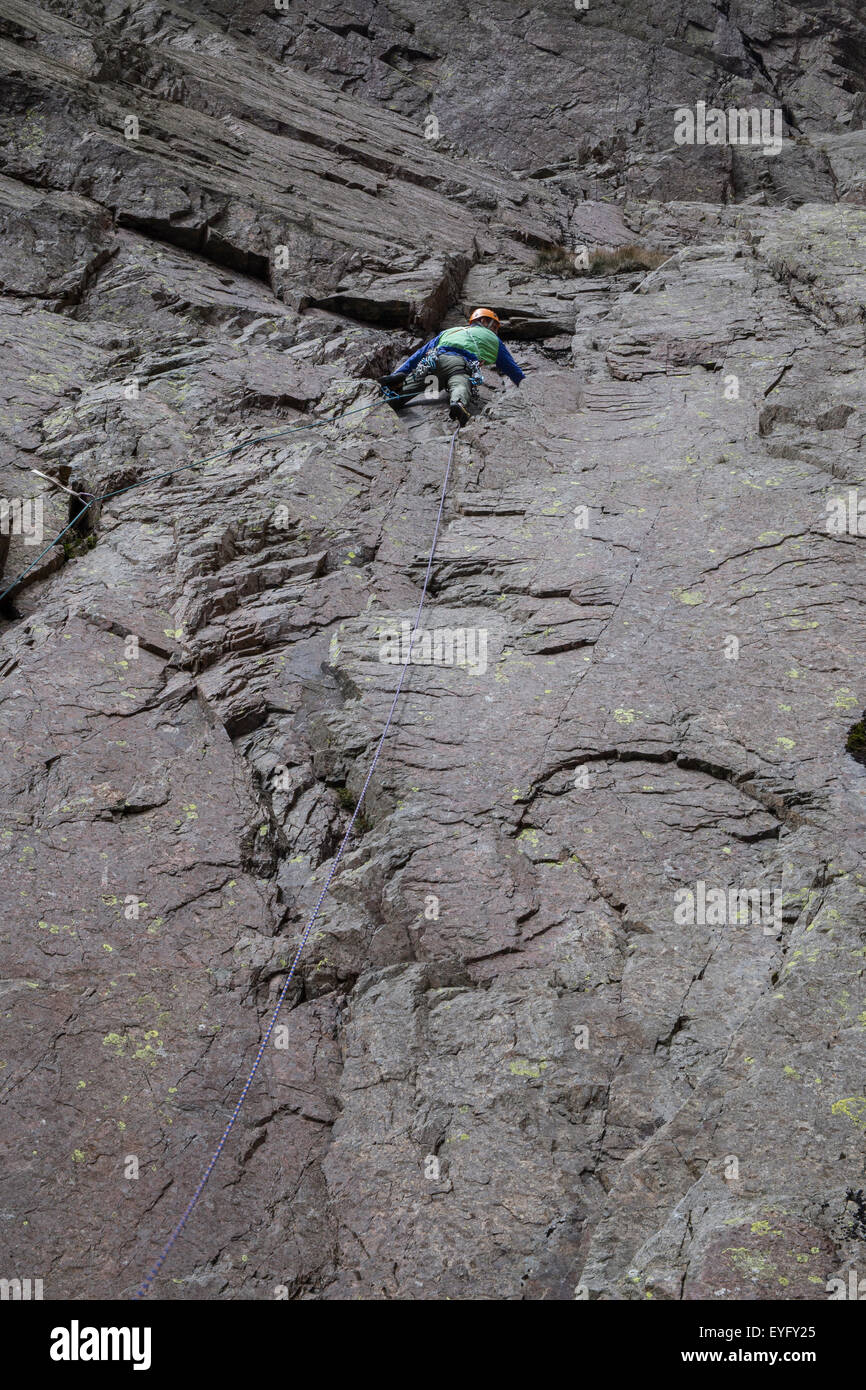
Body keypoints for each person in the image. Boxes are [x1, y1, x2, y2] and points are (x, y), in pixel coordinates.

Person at [380, 308, 524, 426]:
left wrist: (399, 373)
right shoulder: (494, 340)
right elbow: (512, 370)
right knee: (460, 382)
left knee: (404, 391)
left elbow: (419, 354)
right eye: (494, 326)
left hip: (433, 363)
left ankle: (389, 399)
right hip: (459, 365)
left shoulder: (450, 331)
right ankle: (458, 403)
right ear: (483, 321)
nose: (495, 331)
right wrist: (528, 388)